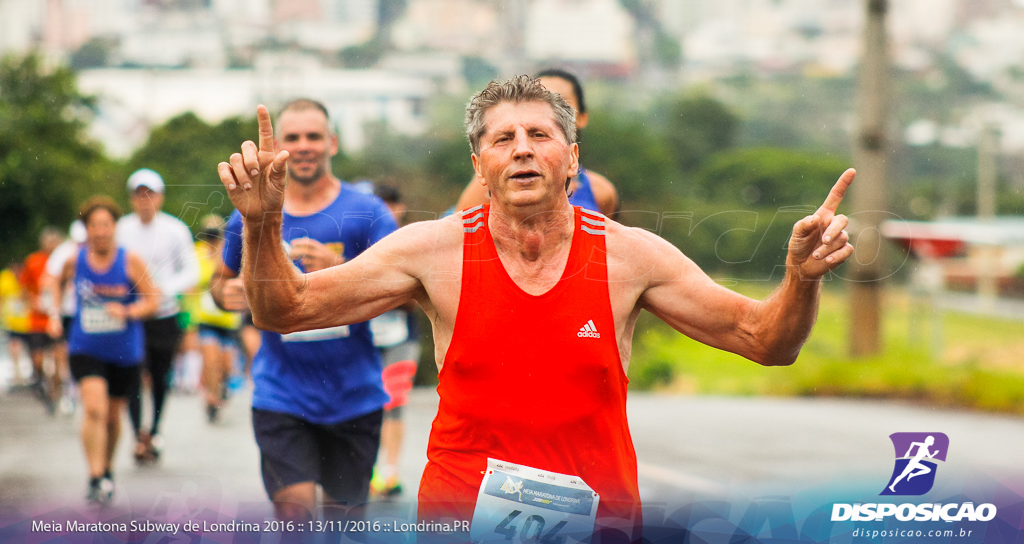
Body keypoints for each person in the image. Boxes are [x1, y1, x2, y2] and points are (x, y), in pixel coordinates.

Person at [218, 77, 855, 537]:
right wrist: (263, 222)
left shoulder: (631, 258)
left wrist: (799, 279)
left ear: (571, 158)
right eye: (503, 139)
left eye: (540, 135)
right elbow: (285, 311)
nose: (522, 148)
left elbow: (766, 340)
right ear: (480, 163)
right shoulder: (431, 253)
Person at [211, 98, 398, 521]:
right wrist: (229, 294)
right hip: (282, 395)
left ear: (332, 142)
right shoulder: (250, 216)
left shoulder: (367, 212)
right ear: (277, 146)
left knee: (343, 523)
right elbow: (218, 284)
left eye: (314, 136)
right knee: (294, 516)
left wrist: (340, 269)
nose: (304, 146)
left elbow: (402, 289)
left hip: (354, 397)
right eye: (292, 137)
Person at [52, 196, 160, 505]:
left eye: (105, 225)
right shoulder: (75, 259)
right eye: (93, 225)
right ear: (86, 229)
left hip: (124, 349)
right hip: (85, 346)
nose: (100, 231)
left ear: (115, 227)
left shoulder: (130, 260)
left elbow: (154, 300)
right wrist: (54, 314)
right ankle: (95, 474)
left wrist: (127, 312)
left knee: (113, 417)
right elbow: (54, 281)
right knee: (94, 408)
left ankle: (108, 468)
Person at [115, 168, 199, 463]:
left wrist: (162, 289)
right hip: (132, 315)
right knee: (133, 376)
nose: (144, 200)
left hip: (164, 314)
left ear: (161, 196)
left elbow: (191, 270)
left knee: (161, 377)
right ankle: (139, 434)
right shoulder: (121, 229)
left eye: (150, 193)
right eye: (139, 194)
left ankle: (156, 428)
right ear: (131, 199)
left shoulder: (175, 230)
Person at [455, 68, 617, 216]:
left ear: (582, 117)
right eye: (541, 100)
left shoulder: (601, 193)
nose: (551, 110)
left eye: (562, 102)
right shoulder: (490, 186)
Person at [367, 182, 422, 499]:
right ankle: (369, 468)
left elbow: (413, 298)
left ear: (400, 208)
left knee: (394, 403)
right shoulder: (361, 239)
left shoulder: (412, 240)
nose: (386, 211)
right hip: (364, 337)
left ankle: (390, 471)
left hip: (402, 335)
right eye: (379, 204)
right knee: (367, 403)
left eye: (391, 204)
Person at [190, 215, 242, 423]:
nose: (212, 239)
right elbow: (195, 280)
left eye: (216, 234)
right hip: (206, 317)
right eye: (208, 234)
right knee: (210, 359)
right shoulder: (197, 252)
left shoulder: (230, 250)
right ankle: (211, 398)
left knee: (227, 366)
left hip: (228, 318)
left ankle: (221, 389)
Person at [43, 220, 88, 414]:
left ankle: (77, 391)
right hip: (68, 311)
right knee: (64, 355)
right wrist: (54, 315)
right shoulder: (63, 253)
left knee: (82, 354)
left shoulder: (100, 252)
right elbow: (50, 282)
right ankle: (67, 392)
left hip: (87, 313)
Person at [19, 226, 65, 412]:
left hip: (56, 318)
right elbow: (24, 287)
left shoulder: (64, 261)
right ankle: (39, 381)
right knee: (38, 360)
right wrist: (33, 301)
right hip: (38, 319)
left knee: (58, 359)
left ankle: (56, 394)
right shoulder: (34, 261)